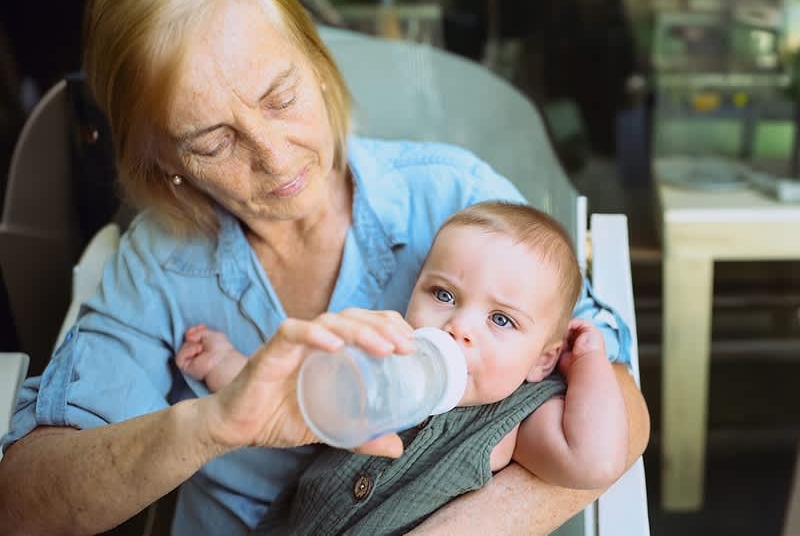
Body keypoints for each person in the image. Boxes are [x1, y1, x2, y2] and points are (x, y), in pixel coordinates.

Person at [0, 0, 649, 535]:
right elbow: (20, 505)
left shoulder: (455, 201)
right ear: (159, 156)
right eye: (212, 142)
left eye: (281, 98)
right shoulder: (157, 269)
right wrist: (212, 424)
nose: (275, 158)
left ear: (316, 61)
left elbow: (621, 411)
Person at [176, 201, 628, 535]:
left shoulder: (514, 421)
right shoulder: (380, 362)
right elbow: (289, 397)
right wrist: (227, 364)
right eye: (444, 295)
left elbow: (595, 460)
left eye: (501, 320)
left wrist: (589, 360)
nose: (459, 327)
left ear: (542, 359)